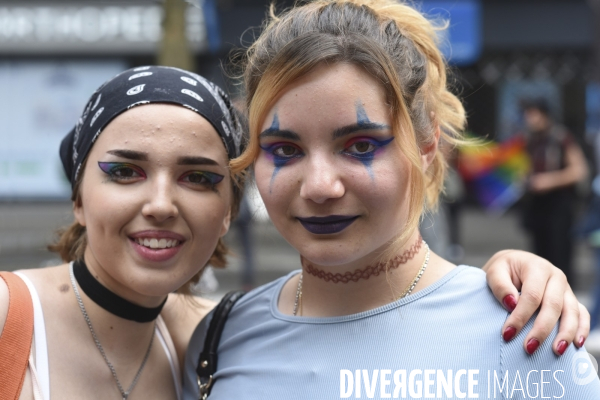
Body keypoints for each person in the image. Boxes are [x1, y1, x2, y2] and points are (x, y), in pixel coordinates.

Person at [182, 1, 600, 398]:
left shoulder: (530, 335)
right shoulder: (218, 339)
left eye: (360, 146)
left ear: (427, 143)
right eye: (285, 151)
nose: (320, 187)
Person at [0, 66, 244, 400]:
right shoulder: (8, 316)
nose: (161, 206)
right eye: (125, 171)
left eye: (198, 177)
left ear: (228, 211)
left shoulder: (216, 343)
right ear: (79, 200)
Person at [521, 98, 588, 284]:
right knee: (539, 255)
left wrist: (548, 181)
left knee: (559, 254)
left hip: (558, 205)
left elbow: (579, 170)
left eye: (533, 114)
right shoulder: (530, 140)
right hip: (537, 205)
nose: (529, 119)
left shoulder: (560, 137)